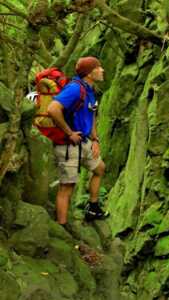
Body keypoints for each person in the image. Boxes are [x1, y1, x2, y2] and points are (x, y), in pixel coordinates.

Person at [47, 56, 108, 225]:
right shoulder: (74, 89)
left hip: (85, 142)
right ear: (89, 73)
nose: (102, 70)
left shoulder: (91, 90)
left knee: (100, 169)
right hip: (68, 145)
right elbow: (53, 109)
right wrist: (69, 132)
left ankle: (93, 208)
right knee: (67, 186)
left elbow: (92, 113)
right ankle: (62, 226)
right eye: (99, 67)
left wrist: (95, 139)